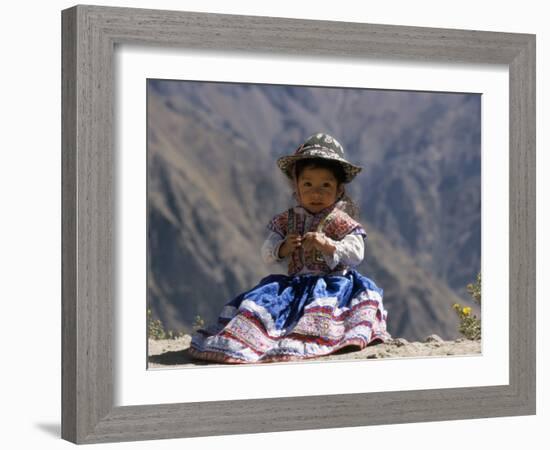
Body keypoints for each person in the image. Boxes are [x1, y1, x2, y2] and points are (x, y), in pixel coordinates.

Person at [189, 132, 390, 363]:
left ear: (339, 189)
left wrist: (329, 245)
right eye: (308, 184)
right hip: (294, 287)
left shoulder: (341, 222)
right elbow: (267, 253)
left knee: (325, 318)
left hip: (334, 286)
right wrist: (283, 248)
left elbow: (357, 253)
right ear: (296, 186)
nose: (316, 192)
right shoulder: (286, 221)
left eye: (326, 185)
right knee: (262, 314)